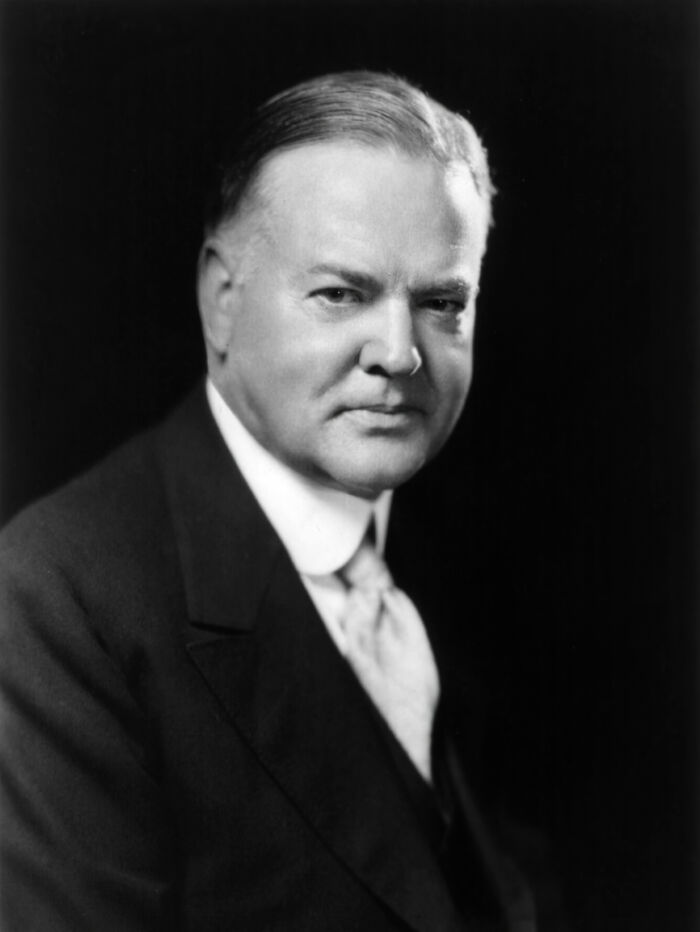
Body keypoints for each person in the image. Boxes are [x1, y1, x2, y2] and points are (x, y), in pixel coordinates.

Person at [0, 71, 559, 931]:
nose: (401, 354)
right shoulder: (54, 601)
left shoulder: (457, 551)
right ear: (221, 300)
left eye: (443, 302)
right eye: (342, 293)